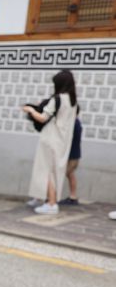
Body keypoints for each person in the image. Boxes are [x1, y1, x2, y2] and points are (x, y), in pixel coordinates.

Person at [22, 70, 79, 215]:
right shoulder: (73, 101)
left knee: (46, 171)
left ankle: (52, 203)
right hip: (63, 140)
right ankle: (50, 201)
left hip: (50, 138)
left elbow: (42, 118)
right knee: (56, 171)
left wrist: (30, 110)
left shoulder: (57, 98)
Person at [59, 114, 82, 206]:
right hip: (74, 154)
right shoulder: (76, 123)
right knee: (70, 174)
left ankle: (72, 197)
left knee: (68, 173)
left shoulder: (73, 123)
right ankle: (73, 197)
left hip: (71, 155)